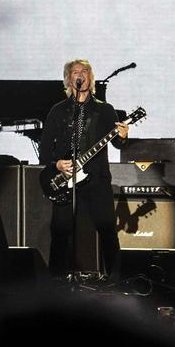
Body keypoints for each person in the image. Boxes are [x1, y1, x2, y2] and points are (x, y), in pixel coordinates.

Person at [39, 58, 130, 278]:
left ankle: (117, 283)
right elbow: (44, 149)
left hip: (97, 180)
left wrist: (124, 136)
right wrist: (57, 164)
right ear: (69, 80)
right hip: (65, 180)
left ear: (91, 77)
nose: (81, 74)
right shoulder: (58, 111)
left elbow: (117, 142)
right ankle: (57, 284)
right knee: (60, 232)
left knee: (108, 230)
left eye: (85, 71)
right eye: (75, 72)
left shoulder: (105, 110)